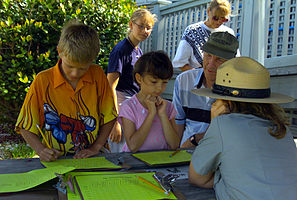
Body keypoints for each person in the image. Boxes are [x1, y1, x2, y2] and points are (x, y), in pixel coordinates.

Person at [189, 57, 297, 199]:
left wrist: (215, 121)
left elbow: (197, 178)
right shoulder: (283, 130)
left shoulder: (223, 125)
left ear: (225, 102)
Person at [15, 20, 117, 162]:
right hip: (57, 159)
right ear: (59, 52)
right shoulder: (42, 81)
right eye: (69, 66)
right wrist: (41, 150)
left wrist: (96, 147)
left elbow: (109, 116)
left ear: (92, 60)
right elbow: (25, 126)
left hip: (94, 156)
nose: (75, 73)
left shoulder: (98, 75)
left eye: (82, 68)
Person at [172, 31, 239, 148]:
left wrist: (197, 140)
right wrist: (177, 154)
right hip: (185, 152)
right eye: (208, 55)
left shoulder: (238, 89)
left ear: (232, 62)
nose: (211, 64)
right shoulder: (184, 81)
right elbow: (178, 124)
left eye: (219, 60)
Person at [107, 9, 157, 152]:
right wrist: (115, 121)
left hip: (133, 104)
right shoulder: (121, 50)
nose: (144, 31)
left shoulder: (138, 51)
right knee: (119, 153)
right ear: (131, 25)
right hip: (120, 103)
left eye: (148, 28)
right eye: (141, 26)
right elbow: (110, 85)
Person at [118, 51, 180, 153]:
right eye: (154, 82)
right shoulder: (128, 107)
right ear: (139, 78)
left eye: (164, 82)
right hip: (135, 165)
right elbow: (133, 146)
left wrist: (163, 115)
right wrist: (151, 114)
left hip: (160, 164)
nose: (159, 88)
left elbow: (174, 145)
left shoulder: (168, 107)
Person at [173, 0, 239, 71]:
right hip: (197, 79)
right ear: (208, 11)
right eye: (215, 18)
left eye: (223, 19)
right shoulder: (192, 31)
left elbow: (235, 61)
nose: (219, 22)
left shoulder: (228, 33)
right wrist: (201, 75)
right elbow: (180, 63)